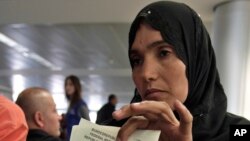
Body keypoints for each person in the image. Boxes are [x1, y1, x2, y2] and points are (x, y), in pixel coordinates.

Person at [110, 1, 250, 141]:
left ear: (195, 59)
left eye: (164, 53)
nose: (146, 74)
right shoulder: (114, 134)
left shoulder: (241, 131)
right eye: (137, 60)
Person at [64, 75, 90, 140]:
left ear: (76, 86)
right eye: (66, 84)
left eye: (71, 84)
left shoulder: (81, 105)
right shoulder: (71, 104)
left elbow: (89, 126)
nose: (67, 87)